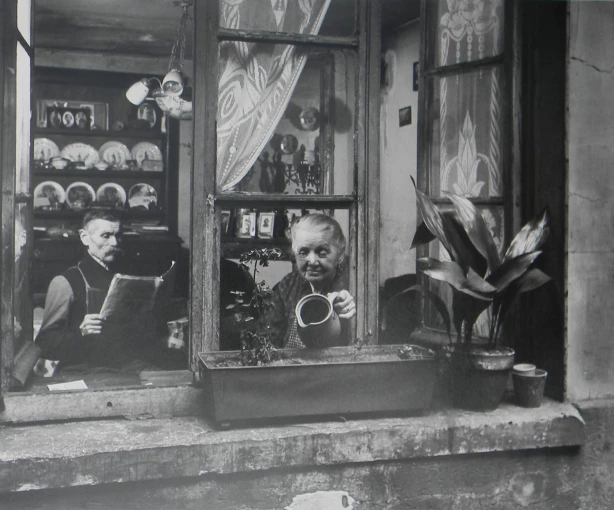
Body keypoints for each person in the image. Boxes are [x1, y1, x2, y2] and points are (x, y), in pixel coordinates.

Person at [35, 210, 171, 371]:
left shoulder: (126, 274)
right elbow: (44, 344)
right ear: (85, 238)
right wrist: (81, 332)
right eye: (106, 236)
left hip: (125, 364)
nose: (114, 242)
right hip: (84, 369)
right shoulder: (66, 282)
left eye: (117, 235)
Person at [267, 213, 356, 348]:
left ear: (339, 255)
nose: (312, 261)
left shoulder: (355, 284)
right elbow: (269, 341)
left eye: (322, 253)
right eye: (303, 252)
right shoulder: (287, 285)